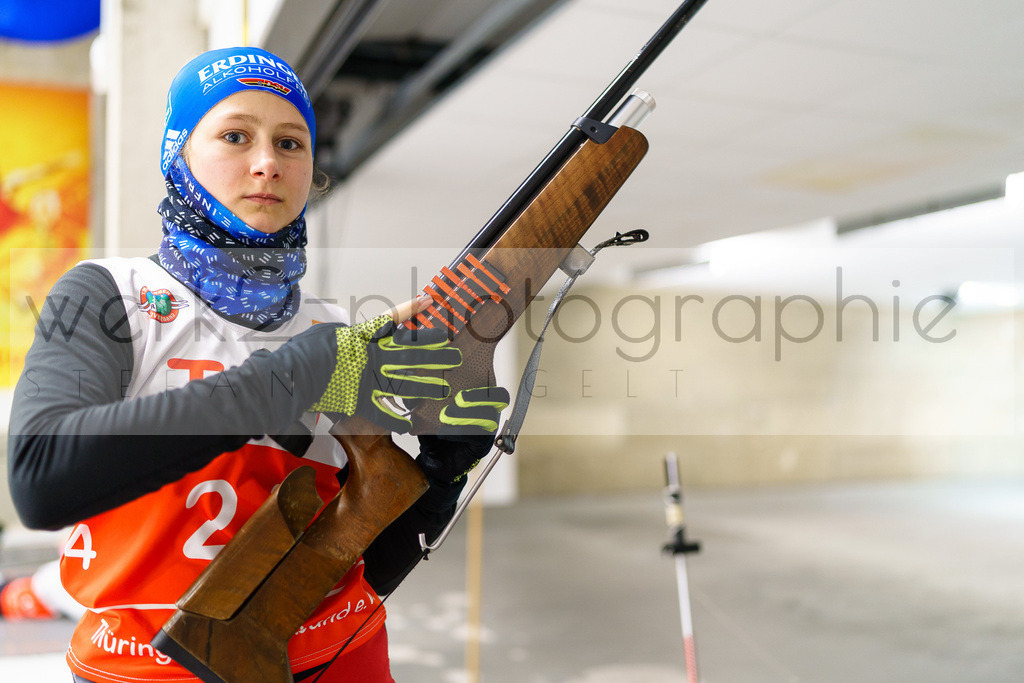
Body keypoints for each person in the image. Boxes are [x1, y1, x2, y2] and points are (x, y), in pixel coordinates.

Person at [7, 46, 508, 683]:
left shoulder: (331, 331)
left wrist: (442, 472)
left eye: (291, 143)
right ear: (179, 154)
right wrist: (297, 375)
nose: (267, 163)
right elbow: (41, 478)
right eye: (235, 136)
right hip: (149, 667)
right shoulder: (110, 295)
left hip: (342, 655)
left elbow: (361, 568)